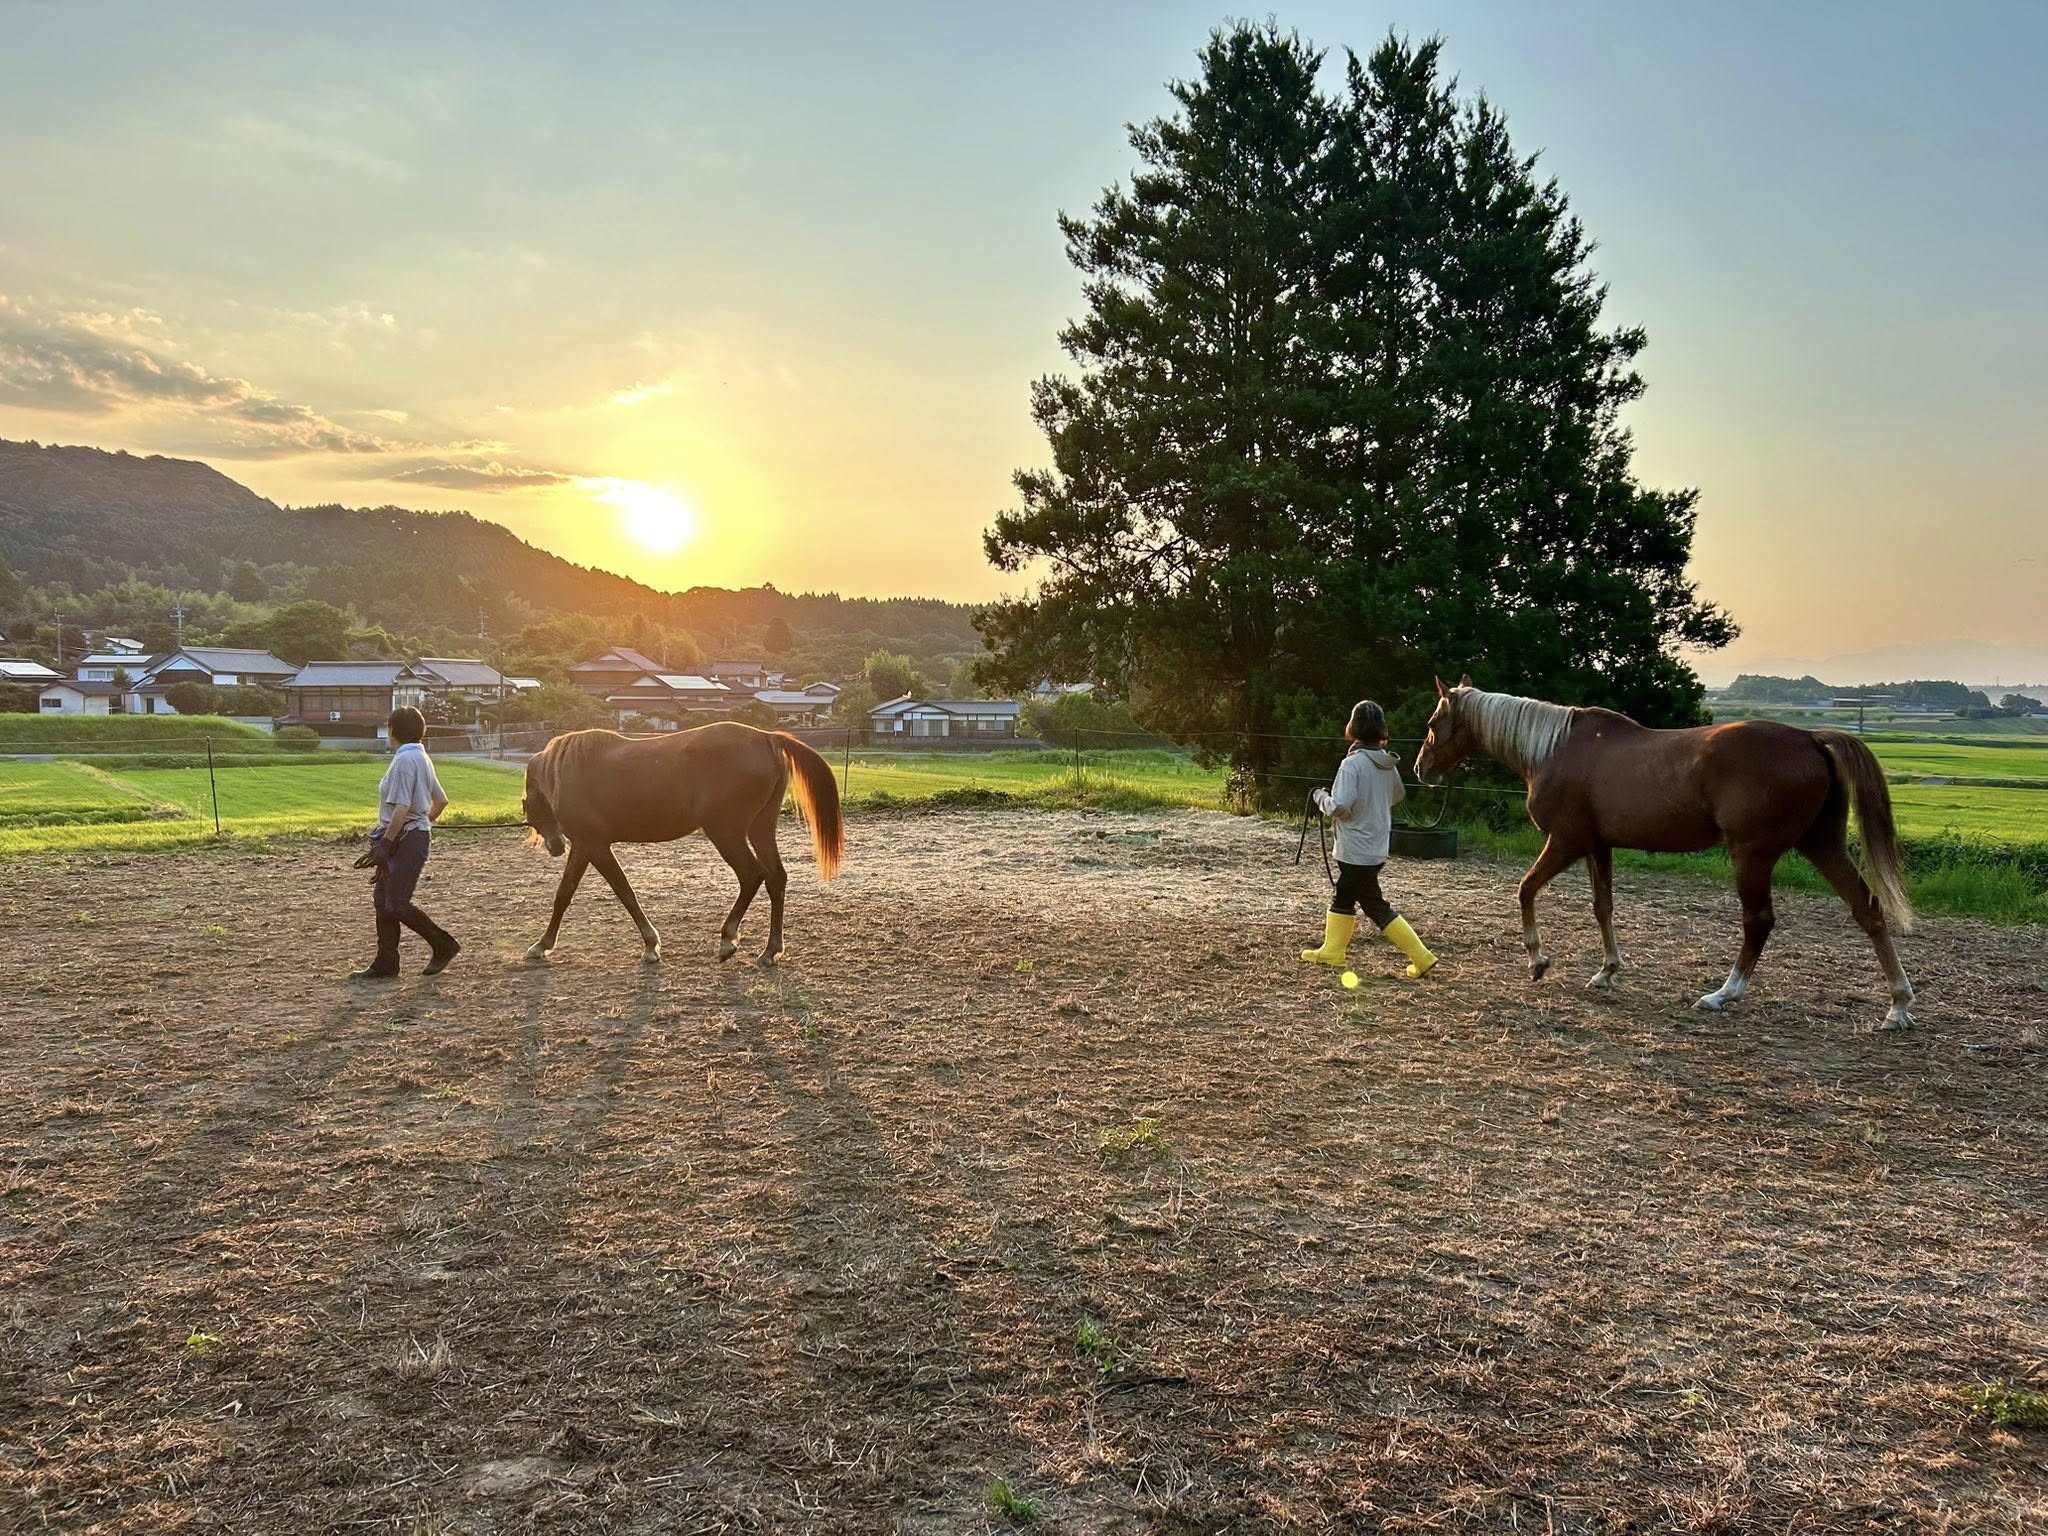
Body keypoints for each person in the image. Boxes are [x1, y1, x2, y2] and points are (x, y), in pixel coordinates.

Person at [1299, 698, 1437, 979]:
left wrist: (1320, 797)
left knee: (1374, 905)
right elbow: (1398, 795)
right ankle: (1332, 951)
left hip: (1355, 848)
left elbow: (1340, 807)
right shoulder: (1387, 764)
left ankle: (1421, 956)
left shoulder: (1353, 764)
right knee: (1344, 896)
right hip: (1376, 846)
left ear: (1353, 728)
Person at [350, 706, 460, 979]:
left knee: (396, 903)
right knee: (383, 901)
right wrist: (422, 825)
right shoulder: (422, 757)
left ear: (392, 731)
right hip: (412, 836)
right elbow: (441, 801)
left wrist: (387, 843)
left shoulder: (403, 760)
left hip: (403, 839)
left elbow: (401, 806)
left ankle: (443, 944)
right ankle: (386, 963)